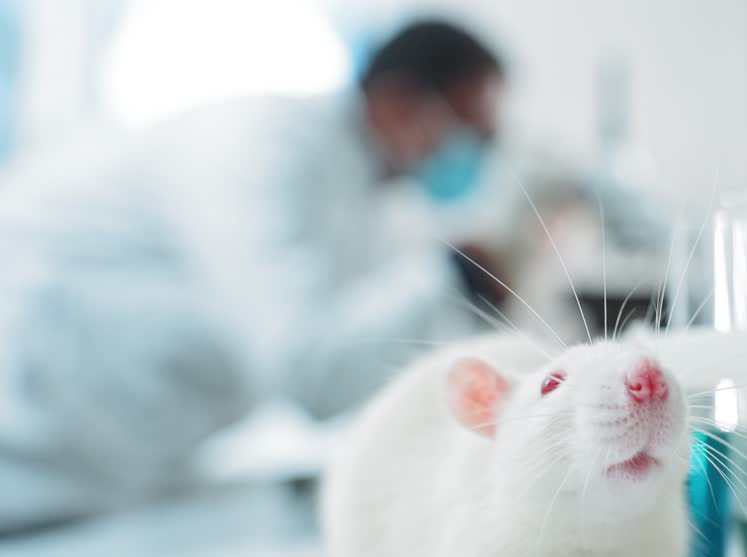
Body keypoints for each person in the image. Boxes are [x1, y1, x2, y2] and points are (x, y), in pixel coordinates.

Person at [0, 20, 505, 529]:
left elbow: (357, 357)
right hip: (28, 427)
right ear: (398, 102)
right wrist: (452, 274)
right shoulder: (262, 144)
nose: (472, 154)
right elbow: (305, 371)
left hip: (116, 460)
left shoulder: (367, 194)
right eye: (469, 132)